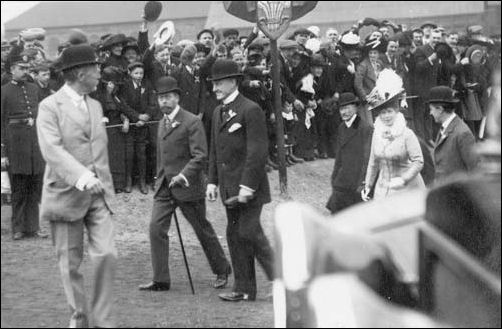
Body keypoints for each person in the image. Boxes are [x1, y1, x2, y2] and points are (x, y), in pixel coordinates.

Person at [36, 44, 116, 328]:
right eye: (96, 69)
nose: (100, 74)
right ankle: (80, 318)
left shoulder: (95, 104)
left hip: (99, 196)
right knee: (70, 266)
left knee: (107, 253)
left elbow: (98, 149)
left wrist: (104, 183)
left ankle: (103, 322)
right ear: (81, 72)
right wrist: (83, 177)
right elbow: (52, 151)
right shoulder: (48, 107)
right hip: (66, 195)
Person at [139, 76, 231, 292]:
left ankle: (222, 269)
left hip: (187, 187)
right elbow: (162, 156)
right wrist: (159, 178)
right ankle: (161, 279)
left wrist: (183, 175)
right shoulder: (161, 122)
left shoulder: (191, 121)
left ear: (177, 97)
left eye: (168, 97)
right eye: (161, 98)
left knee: (202, 230)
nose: (164, 102)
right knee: (155, 228)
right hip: (164, 187)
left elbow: (200, 156)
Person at [206, 59, 274, 302]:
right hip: (228, 188)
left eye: (219, 83)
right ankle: (243, 289)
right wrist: (212, 182)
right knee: (235, 234)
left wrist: (247, 186)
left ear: (233, 82)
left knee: (249, 232)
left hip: (250, 188)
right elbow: (215, 149)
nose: (215, 88)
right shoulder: (217, 112)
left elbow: (258, 152)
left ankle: (283, 280)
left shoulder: (250, 109)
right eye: (213, 84)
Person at [1, 54, 47, 240]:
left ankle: (33, 228)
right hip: (15, 144)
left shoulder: (34, 88)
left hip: (34, 143)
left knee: (34, 186)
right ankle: (18, 228)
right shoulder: (3, 91)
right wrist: (2, 151)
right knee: (19, 187)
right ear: (12, 70)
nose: (25, 71)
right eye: (21, 68)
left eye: (27, 68)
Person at [362, 69, 425, 200]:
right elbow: (373, 162)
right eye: (382, 113)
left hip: (407, 189)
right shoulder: (377, 133)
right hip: (383, 187)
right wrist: (368, 185)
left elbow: (418, 161)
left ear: (396, 111)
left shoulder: (407, 133)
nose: (386, 116)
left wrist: (403, 179)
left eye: (389, 111)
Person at [326, 93, 373, 214]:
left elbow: (367, 159)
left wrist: (363, 182)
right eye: (341, 109)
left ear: (356, 108)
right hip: (342, 180)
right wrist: (335, 176)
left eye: (347, 108)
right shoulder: (342, 127)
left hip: (356, 182)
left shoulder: (365, 128)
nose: (344, 112)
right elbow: (339, 155)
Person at [427, 86, 479, 183]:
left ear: (440, 109)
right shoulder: (445, 127)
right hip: (445, 192)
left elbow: (474, 170)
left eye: (431, 109)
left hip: (457, 194)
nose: (430, 113)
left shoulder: (462, 133)